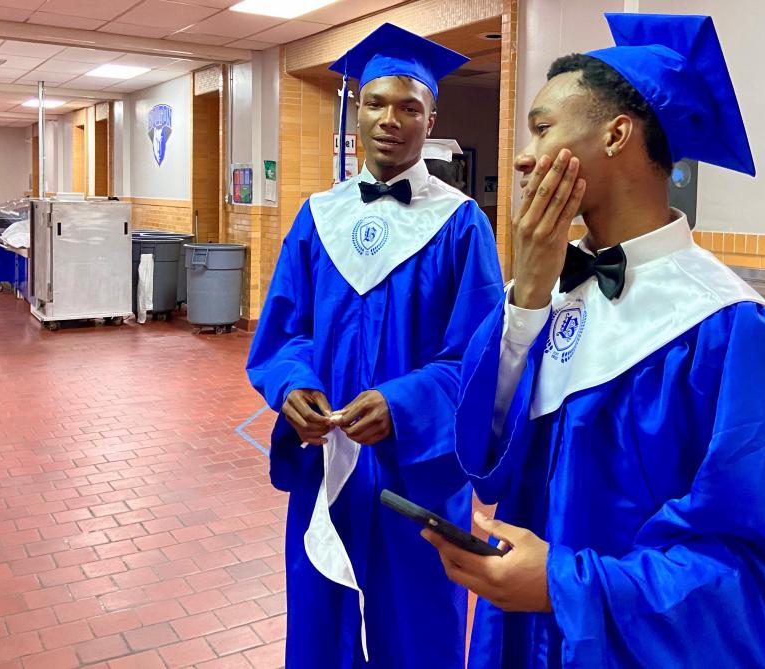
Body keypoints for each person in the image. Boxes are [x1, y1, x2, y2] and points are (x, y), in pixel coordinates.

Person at [423, 13, 765, 668]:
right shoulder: (542, 297)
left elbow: (756, 579)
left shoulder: (731, 331)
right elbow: (485, 459)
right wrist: (524, 293)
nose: (524, 156)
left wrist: (564, 585)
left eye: (543, 127)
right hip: (519, 640)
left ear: (615, 133)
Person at [246, 22, 504, 668]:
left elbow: (478, 362)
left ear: (432, 116)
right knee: (319, 623)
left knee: (415, 630)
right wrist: (293, 385)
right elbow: (284, 330)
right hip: (328, 469)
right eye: (376, 103)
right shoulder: (317, 218)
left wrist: (403, 404)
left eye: (409, 107)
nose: (391, 120)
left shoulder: (461, 226)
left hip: (415, 478)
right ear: (355, 110)